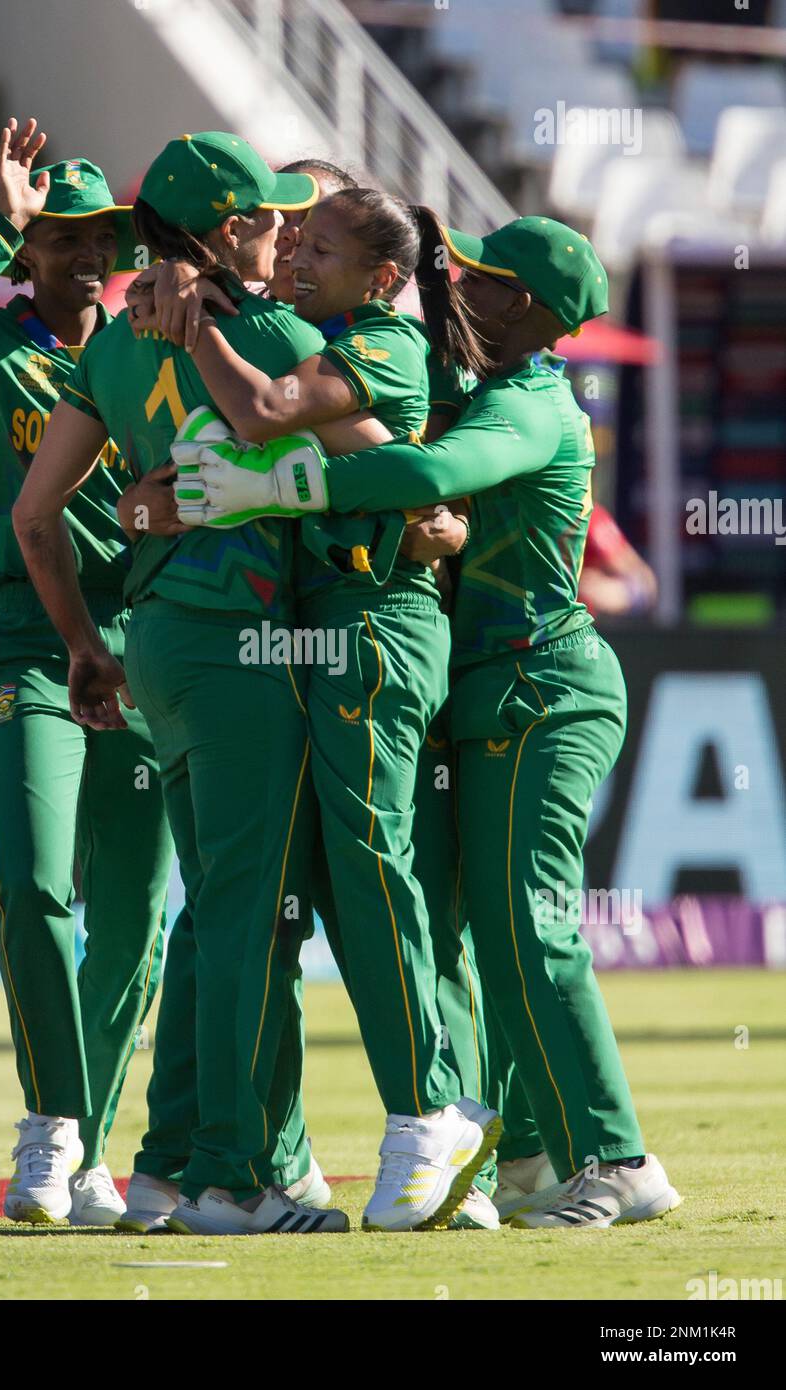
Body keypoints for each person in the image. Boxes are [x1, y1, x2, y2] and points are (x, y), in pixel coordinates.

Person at [172, 214, 682, 1229]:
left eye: (485, 284)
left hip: (546, 686)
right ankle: (529, 1148)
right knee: (476, 932)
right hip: (482, 694)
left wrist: (270, 485)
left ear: (532, 314)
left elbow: (421, 479)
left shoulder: (535, 403)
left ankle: (619, 1159)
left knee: (528, 925)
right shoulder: (466, 385)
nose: (457, 290)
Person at [13, 131, 371, 1236]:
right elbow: (376, 442)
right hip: (240, 649)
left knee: (212, 905)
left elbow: (35, 518)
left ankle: (166, 1164)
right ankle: (231, 1178)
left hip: (156, 643)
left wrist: (83, 643)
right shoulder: (272, 334)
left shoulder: (117, 349)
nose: (286, 235)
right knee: (246, 914)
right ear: (225, 232)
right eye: (268, 220)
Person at [156, 185, 502, 1232]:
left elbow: (268, 419)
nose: (295, 257)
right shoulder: (326, 335)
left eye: (318, 245)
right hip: (315, 628)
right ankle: (247, 1159)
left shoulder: (381, 346)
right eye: (289, 239)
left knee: (371, 858)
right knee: (311, 887)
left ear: (384, 276)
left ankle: (433, 1117)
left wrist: (194, 319)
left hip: (369, 623)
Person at [0, 118, 175, 1227]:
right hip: (32, 640)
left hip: (151, 638)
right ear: (31, 250)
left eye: (98, 236)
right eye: (61, 239)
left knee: (135, 913)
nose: (84, 256)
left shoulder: (148, 350)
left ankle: (88, 1149)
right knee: (32, 884)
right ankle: (50, 1126)